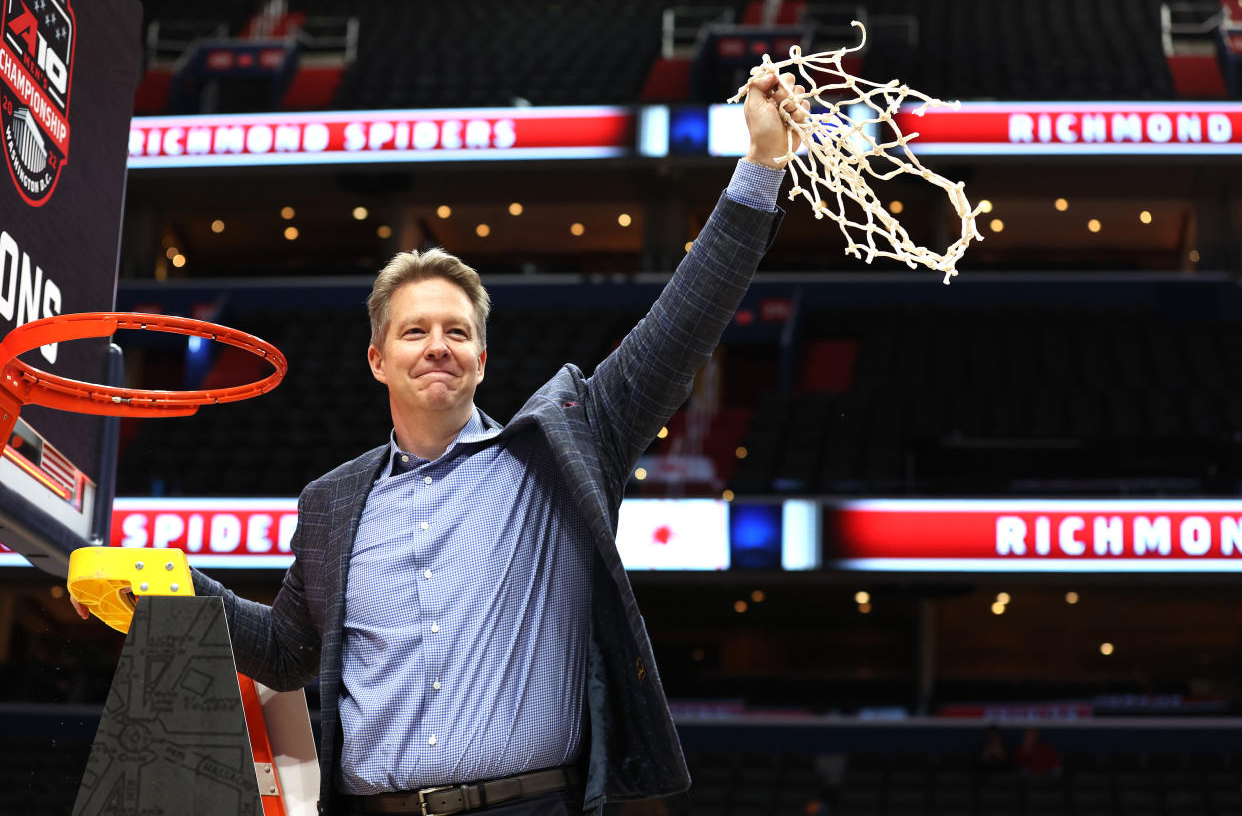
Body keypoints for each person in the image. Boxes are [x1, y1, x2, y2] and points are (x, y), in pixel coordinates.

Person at [75, 71, 808, 815]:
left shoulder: (555, 457)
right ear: (377, 358)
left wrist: (760, 166)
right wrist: (173, 589)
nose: (438, 346)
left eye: (457, 331)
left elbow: (679, 327)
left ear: (482, 359)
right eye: (415, 331)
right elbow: (284, 652)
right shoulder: (330, 505)